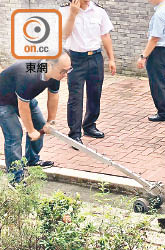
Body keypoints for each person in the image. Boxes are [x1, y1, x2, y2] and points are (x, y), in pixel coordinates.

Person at [0, 51, 72, 183]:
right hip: (3, 101)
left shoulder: (55, 74)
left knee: (40, 125)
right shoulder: (28, 74)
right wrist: (31, 130)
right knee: (14, 134)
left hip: (24, 97)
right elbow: (23, 107)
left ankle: (31, 160)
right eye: (63, 71)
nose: (65, 75)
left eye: (68, 70)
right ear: (49, 65)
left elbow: (53, 95)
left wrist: (51, 121)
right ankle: (15, 179)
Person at [60, 0, 116, 147]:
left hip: (96, 58)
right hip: (75, 60)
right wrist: (72, 14)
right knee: (75, 97)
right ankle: (74, 134)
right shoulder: (64, 11)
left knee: (95, 93)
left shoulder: (99, 12)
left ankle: (89, 125)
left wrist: (111, 59)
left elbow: (105, 36)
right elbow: (64, 35)